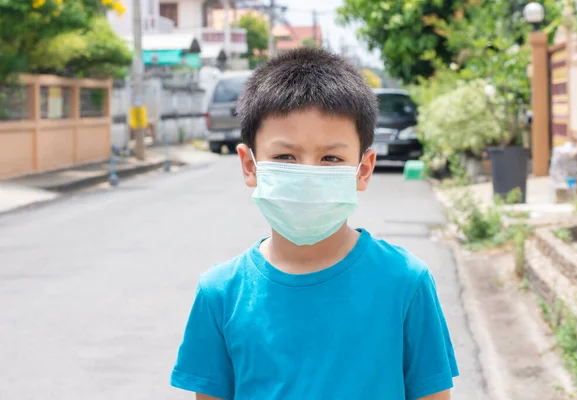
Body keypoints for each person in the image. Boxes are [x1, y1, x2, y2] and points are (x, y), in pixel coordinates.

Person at [171, 48, 459, 400]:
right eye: (285, 157)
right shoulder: (220, 294)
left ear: (363, 168)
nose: (308, 173)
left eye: (331, 158)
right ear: (250, 165)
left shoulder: (405, 283)